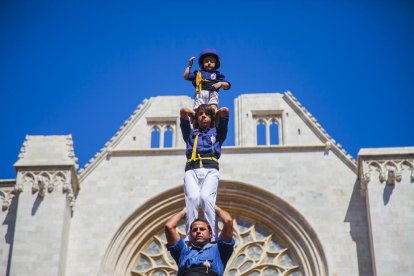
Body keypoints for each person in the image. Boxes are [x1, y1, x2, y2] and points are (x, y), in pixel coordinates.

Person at [180, 104, 229, 242]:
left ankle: (212, 236)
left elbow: (225, 111)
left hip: (210, 168)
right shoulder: (191, 134)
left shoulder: (218, 133)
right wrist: (193, 114)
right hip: (192, 169)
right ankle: (190, 236)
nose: (203, 116)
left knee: (206, 198)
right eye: (200, 114)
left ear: (212, 118)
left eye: (206, 115)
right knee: (193, 199)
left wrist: (214, 113)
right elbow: (183, 111)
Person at [165, 206, 235, 276]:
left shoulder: (219, 250)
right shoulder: (183, 253)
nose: (198, 231)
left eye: (202, 229)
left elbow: (228, 221)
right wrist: (183, 212)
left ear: (210, 234)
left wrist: (214, 207)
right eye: (195, 230)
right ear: (190, 235)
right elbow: (169, 226)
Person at [183, 49, 231, 120]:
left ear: (215, 64)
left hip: (212, 92)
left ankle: (214, 119)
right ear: (202, 63)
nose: (209, 63)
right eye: (206, 61)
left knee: (213, 107)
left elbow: (228, 85)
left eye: (212, 61)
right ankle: (196, 124)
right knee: (198, 110)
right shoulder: (198, 73)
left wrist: (220, 83)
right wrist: (189, 66)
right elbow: (186, 76)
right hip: (200, 93)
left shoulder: (217, 75)